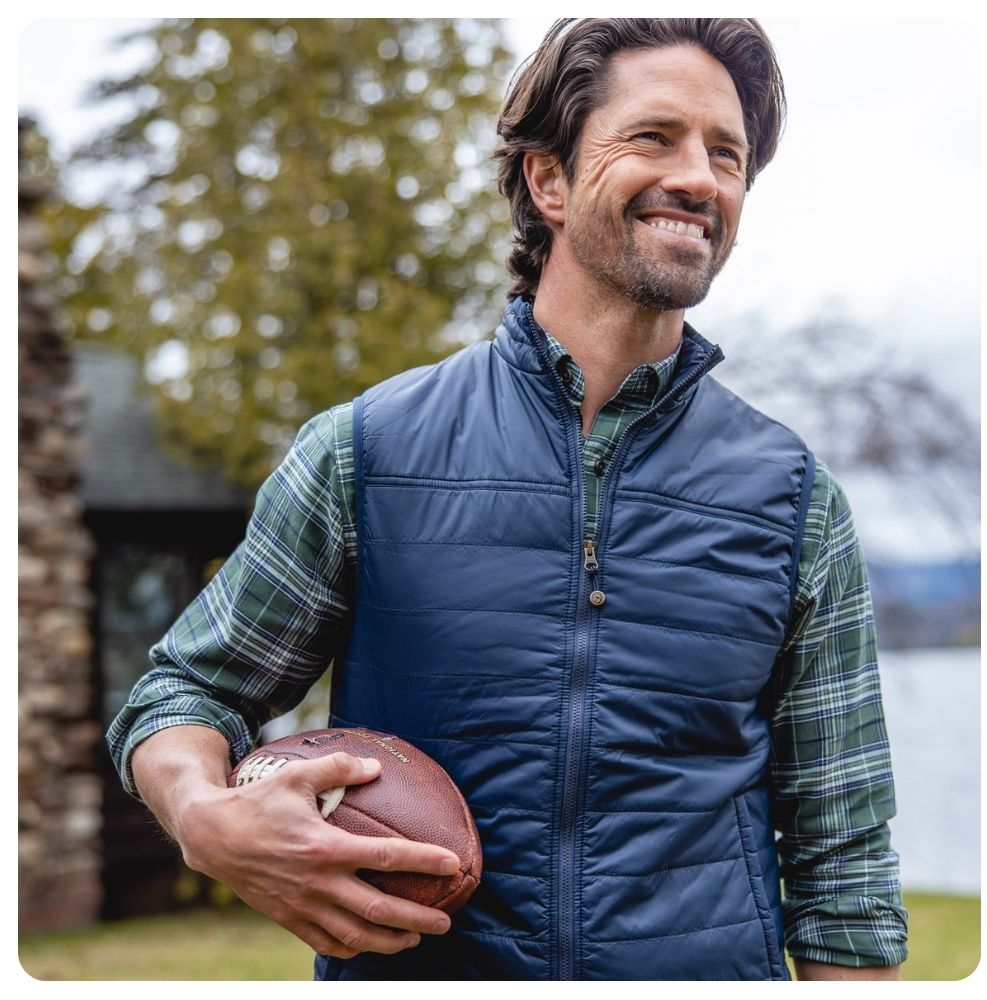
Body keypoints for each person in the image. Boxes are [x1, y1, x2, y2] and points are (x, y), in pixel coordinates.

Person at [108, 18, 909, 981]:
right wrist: (208, 820)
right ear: (550, 180)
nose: (701, 177)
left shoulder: (794, 504)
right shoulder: (365, 452)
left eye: (726, 153)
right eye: (654, 137)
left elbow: (846, 884)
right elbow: (185, 692)